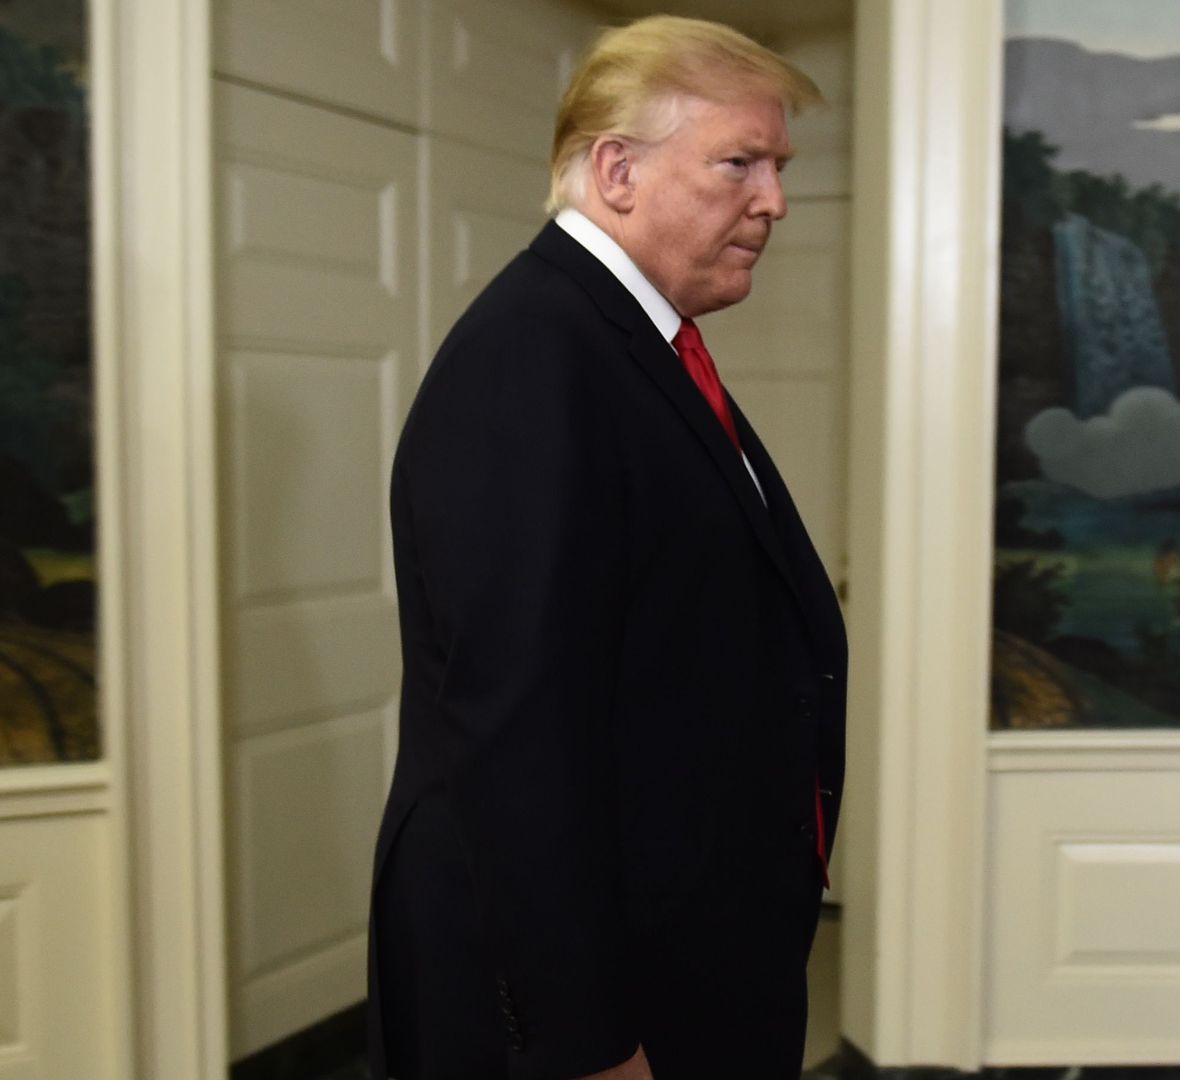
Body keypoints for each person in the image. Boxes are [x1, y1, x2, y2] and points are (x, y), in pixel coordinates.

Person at [365, 16, 846, 1079]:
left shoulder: (627, 342)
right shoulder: (533, 360)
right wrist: (584, 1043)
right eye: (740, 163)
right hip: (585, 1010)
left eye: (778, 167)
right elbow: (517, 736)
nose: (773, 200)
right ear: (617, 170)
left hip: (676, 953)